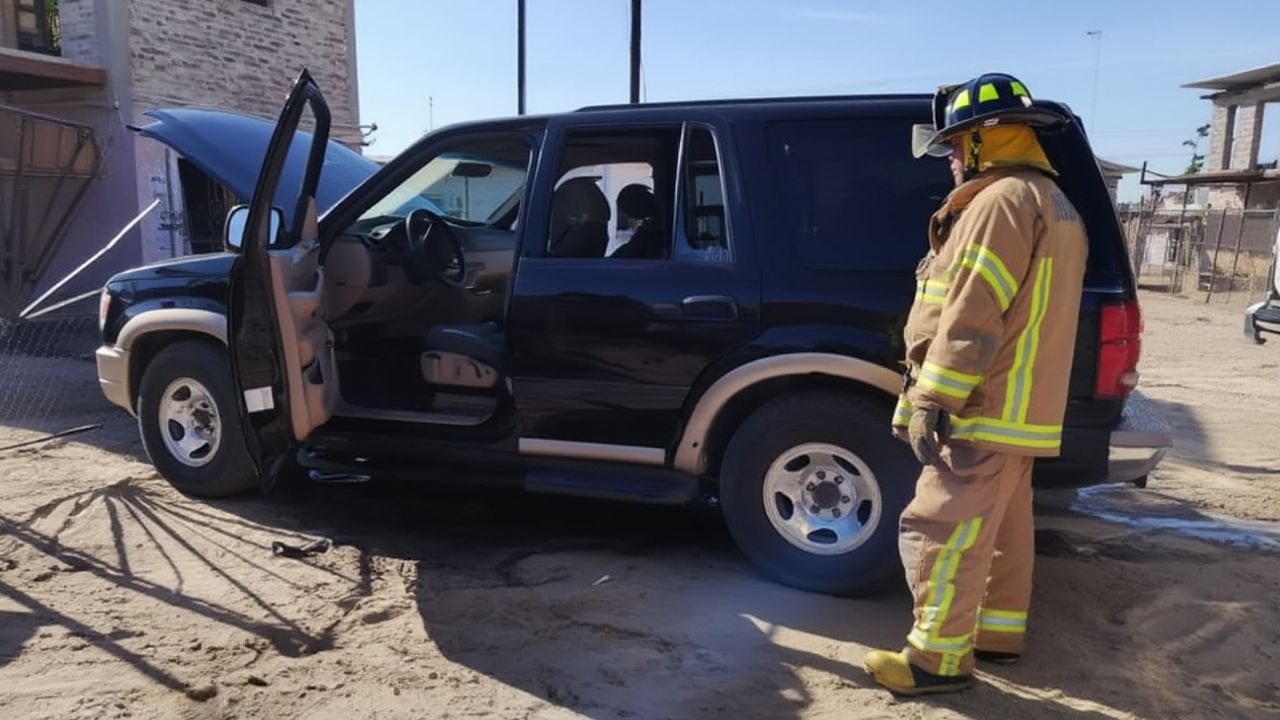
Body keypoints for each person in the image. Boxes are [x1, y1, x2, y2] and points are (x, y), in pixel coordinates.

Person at [864, 73, 1089, 696]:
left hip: (983, 407)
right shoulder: (1053, 201)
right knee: (1003, 531)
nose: (954, 162)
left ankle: (934, 661)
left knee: (944, 526)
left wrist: (933, 396)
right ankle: (994, 634)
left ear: (989, 138)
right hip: (1023, 411)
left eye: (959, 147)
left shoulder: (999, 203)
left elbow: (972, 310)